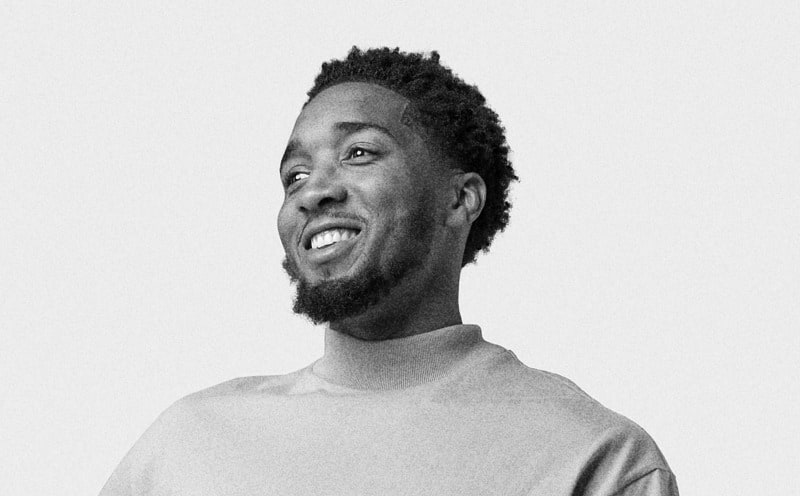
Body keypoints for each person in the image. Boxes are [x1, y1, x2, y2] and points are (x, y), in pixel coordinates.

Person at [100, 47, 678, 495]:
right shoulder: (186, 448)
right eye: (294, 177)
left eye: (359, 153)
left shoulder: (592, 456)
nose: (314, 192)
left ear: (460, 200)